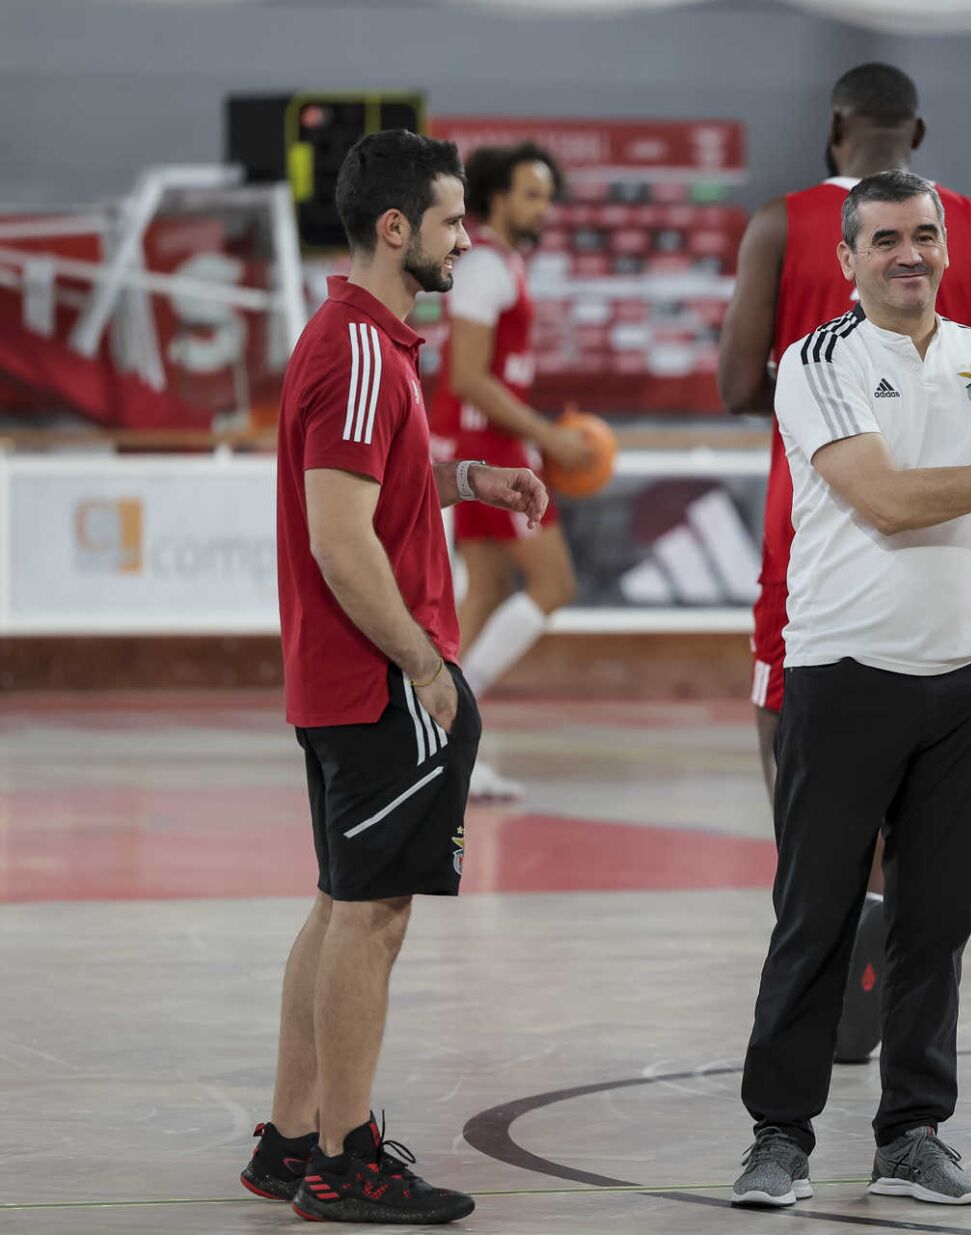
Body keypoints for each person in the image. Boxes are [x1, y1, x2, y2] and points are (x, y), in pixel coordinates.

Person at [729, 171, 971, 1211]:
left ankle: (912, 1132)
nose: (909, 253)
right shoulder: (815, 362)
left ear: (947, 249)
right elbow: (887, 501)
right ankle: (779, 1135)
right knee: (816, 914)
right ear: (845, 259)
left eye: (924, 236)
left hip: (962, 688)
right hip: (843, 674)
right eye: (884, 238)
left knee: (937, 920)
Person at [241, 130, 548, 1225]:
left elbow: (373, 480)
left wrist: (470, 477)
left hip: (341, 680)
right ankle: (344, 1158)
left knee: (339, 906)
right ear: (395, 228)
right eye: (455, 220)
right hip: (380, 678)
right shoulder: (361, 350)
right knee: (371, 919)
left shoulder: (354, 341)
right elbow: (339, 537)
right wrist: (424, 663)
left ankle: (290, 1137)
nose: (467, 237)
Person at [717, 62, 971, 1063]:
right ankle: (887, 982)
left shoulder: (780, 223)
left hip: (816, 532)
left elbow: (738, 380)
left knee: (808, 775)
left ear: (834, 130)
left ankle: (829, 969)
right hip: (951, 539)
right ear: (919, 128)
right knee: (934, 821)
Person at [429, 141, 583, 801]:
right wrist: (546, 434)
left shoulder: (499, 265)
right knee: (553, 581)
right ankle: (447, 725)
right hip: (487, 449)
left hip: (482, 444)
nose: (541, 206)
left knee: (486, 589)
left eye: (547, 194)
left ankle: (440, 736)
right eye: (530, 193)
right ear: (497, 197)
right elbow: (466, 376)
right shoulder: (486, 267)